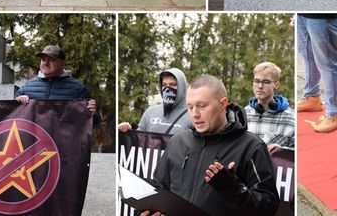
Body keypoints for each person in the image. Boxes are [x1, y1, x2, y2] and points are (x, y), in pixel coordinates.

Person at [140, 75, 279, 216]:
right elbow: (159, 189)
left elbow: (268, 207)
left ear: (222, 104)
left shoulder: (251, 146)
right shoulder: (178, 141)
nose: (195, 114)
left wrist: (233, 189)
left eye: (202, 106)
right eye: (190, 107)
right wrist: (146, 210)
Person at [297, 14, 337, 133]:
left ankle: (335, 113)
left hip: (323, 15)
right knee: (307, 55)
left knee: (328, 62)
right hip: (301, 13)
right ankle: (311, 96)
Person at [15, 45, 97, 114]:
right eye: (43, 59)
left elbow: (90, 124)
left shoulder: (78, 89)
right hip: (34, 133)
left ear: (62, 64)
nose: (46, 63)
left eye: (51, 60)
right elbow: (11, 115)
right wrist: (17, 102)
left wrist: (93, 114)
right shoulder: (27, 87)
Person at [118, 68, 190, 134]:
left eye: (173, 84)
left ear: (182, 87)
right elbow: (139, 141)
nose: (168, 89)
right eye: (164, 85)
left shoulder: (193, 115)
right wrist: (128, 133)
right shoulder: (150, 112)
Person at [244, 62, 294, 151]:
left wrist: (282, 151)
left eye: (266, 82)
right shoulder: (242, 115)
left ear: (276, 85)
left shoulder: (291, 117)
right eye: (256, 81)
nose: (260, 86)